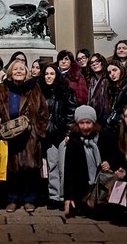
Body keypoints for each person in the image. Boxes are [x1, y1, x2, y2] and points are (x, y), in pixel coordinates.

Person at [0, 59, 49, 213]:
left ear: (26, 72)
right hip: (9, 135)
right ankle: (12, 199)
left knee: (29, 169)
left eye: (22, 69)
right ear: (10, 72)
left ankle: (29, 199)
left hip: (30, 136)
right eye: (15, 69)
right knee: (11, 170)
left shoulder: (34, 88)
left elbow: (43, 112)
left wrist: (38, 131)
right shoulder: (1, 89)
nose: (18, 71)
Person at [61, 105, 116, 217]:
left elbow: (116, 155)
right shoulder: (74, 140)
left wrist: (109, 162)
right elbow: (69, 170)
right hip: (83, 186)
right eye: (82, 123)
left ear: (94, 123)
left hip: (102, 185)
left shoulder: (105, 136)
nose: (85, 127)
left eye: (88, 122)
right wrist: (68, 197)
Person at [39, 63, 78, 209]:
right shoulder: (41, 92)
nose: (49, 76)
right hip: (48, 135)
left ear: (57, 75)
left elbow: (71, 113)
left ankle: (64, 197)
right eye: (46, 74)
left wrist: (69, 132)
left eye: (52, 74)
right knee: (52, 166)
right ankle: (54, 196)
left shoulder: (66, 91)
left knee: (63, 166)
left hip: (62, 134)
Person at [87, 54, 112, 125]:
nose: (94, 64)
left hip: (106, 116)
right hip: (94, 116)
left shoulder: (108, 79)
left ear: (102, 62)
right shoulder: (92, 81)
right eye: (91, 63)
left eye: (97, 61)